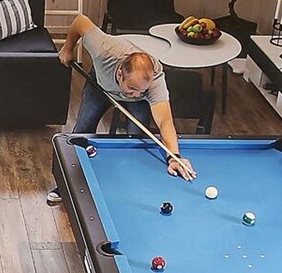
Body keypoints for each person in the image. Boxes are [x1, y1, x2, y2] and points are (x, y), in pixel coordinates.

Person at [46, 15, 197, 204]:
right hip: (100, 86)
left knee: (136, 139)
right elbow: (80, 21)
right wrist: (68, 48)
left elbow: (165, 121)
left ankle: (129, 188)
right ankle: (66, 185)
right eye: (132, 88)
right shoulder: (105, 50)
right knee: (82, 130)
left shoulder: (154, 83)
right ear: (120, 74)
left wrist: (174, 156)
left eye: (142, 90)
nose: (135, 94)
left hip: (138, 103)